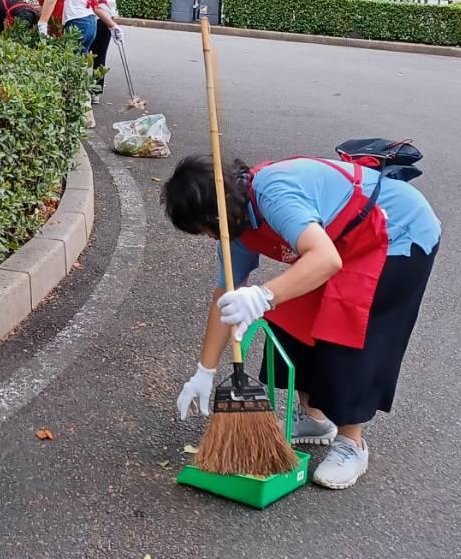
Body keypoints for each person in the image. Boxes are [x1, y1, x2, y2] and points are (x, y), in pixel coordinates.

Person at [162, 153, 441, 490]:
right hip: (341, 243)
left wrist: (263, 295)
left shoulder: (274, 194)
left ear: (212, 214)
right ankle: (315, 420)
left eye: (202, 229)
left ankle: (352, 444)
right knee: (293, 317)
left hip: (396, 233)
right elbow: (225, 293)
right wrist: (203, 371)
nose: (206, 237)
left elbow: (324, 258)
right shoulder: (233, 227)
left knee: (347, 325)